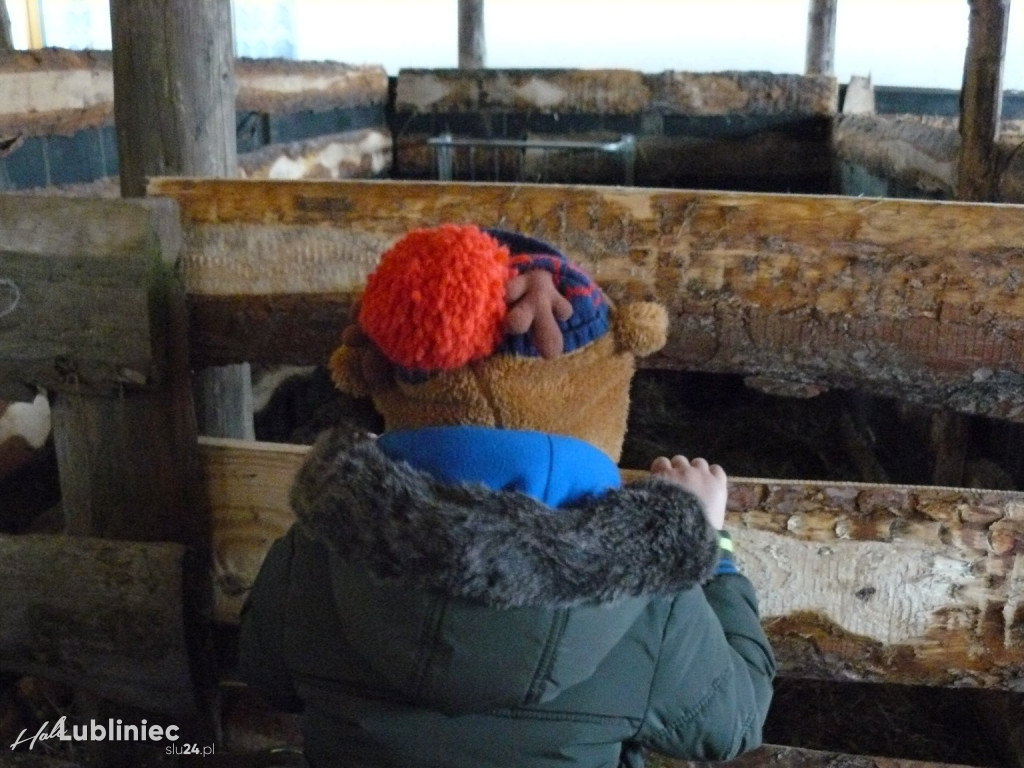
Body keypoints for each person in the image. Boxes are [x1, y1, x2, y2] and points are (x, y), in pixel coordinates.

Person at [239, 223, 775, 768]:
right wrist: (710, 549)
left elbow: (266, 676)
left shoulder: (316, 552)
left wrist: (367, 487)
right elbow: (733, 723)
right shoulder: (649, 596)